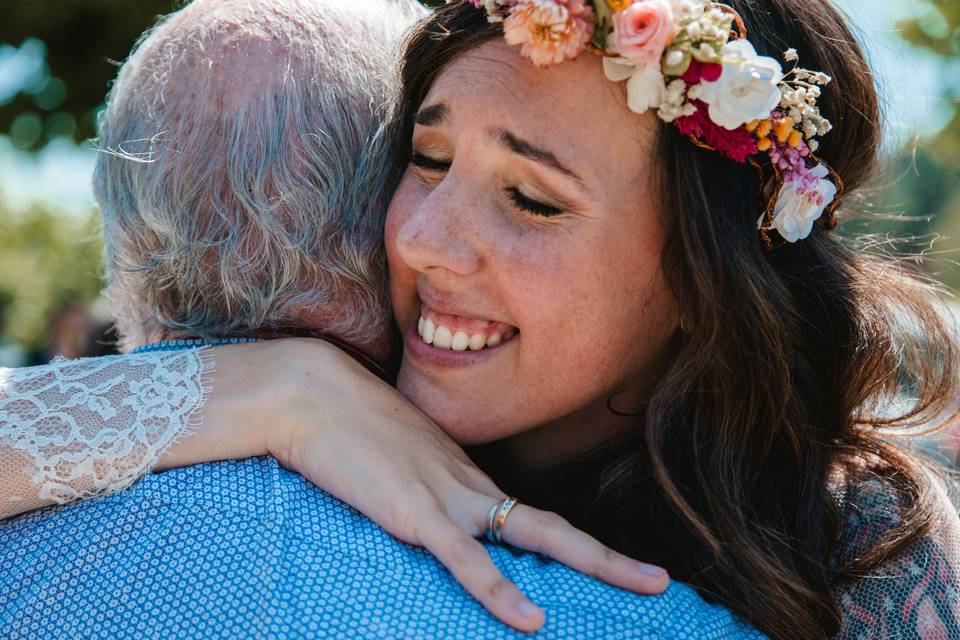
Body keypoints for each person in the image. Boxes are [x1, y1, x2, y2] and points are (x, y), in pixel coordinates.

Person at [2, 0, 958, 638]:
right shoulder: (321, 420)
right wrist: (269, 389)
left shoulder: (863, 540)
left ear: (705, 283)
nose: (421, 239)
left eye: (532, 201)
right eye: (425, 157)